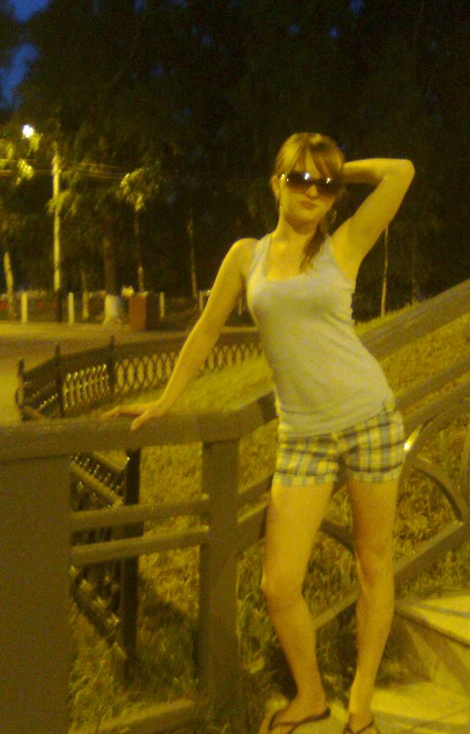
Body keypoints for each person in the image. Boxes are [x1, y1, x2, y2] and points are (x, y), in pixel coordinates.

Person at [105, 132, 415, 734]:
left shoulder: (344, 244)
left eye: (323, 185)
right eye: (298, 179)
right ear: (275, 183)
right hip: (303, 436)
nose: (312, 192)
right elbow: (206, 331)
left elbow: (401, 170)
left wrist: (333, 170)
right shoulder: (245, 256)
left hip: (370, 418)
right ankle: (311, 694)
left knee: (374, 563)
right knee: (279, 584)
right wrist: (167, 398)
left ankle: (361, 700)